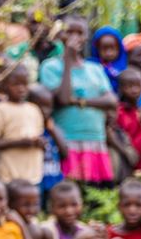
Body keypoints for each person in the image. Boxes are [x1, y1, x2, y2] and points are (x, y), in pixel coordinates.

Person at [38, 16, 117, 185]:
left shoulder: (95, 69)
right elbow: (63, 99)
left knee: (95, 195)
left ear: (86, 37)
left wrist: (80, 101)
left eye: (79, 33)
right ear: (61, 35)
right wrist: (67, 61)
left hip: (95, 140)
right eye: (70, 32)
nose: (74, 37)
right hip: (67, 141)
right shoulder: (50, 66)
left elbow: (111, 101)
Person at [0, 66, 46, 185]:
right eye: (16, 85)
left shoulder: (34, 109)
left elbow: (39, 135)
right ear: (4, 85)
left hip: (33, 177)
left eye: (24, 84)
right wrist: (19, 142)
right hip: (9, 176)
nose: (21, 89)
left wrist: (39, 143)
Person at [27, 84, 68, 200]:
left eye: (48, 107)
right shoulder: (29, 129)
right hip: (36, 180)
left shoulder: (54, 129)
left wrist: (52, 130)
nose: (45, 111)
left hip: (54, 180)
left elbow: (65, 153)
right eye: (40, 107)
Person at [114, 69, 141, 172]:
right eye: (129, 86)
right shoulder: (118, 112)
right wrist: (125, 151)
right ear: (121, 88)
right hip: (126, 160)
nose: (134, 90)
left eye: (138, 86)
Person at [89, 25, 128, 93]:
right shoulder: (91, 65)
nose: (109, 53)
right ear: (97, 49)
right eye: (104, 48)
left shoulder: (125, 66)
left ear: (119, 48)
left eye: (112, 48)